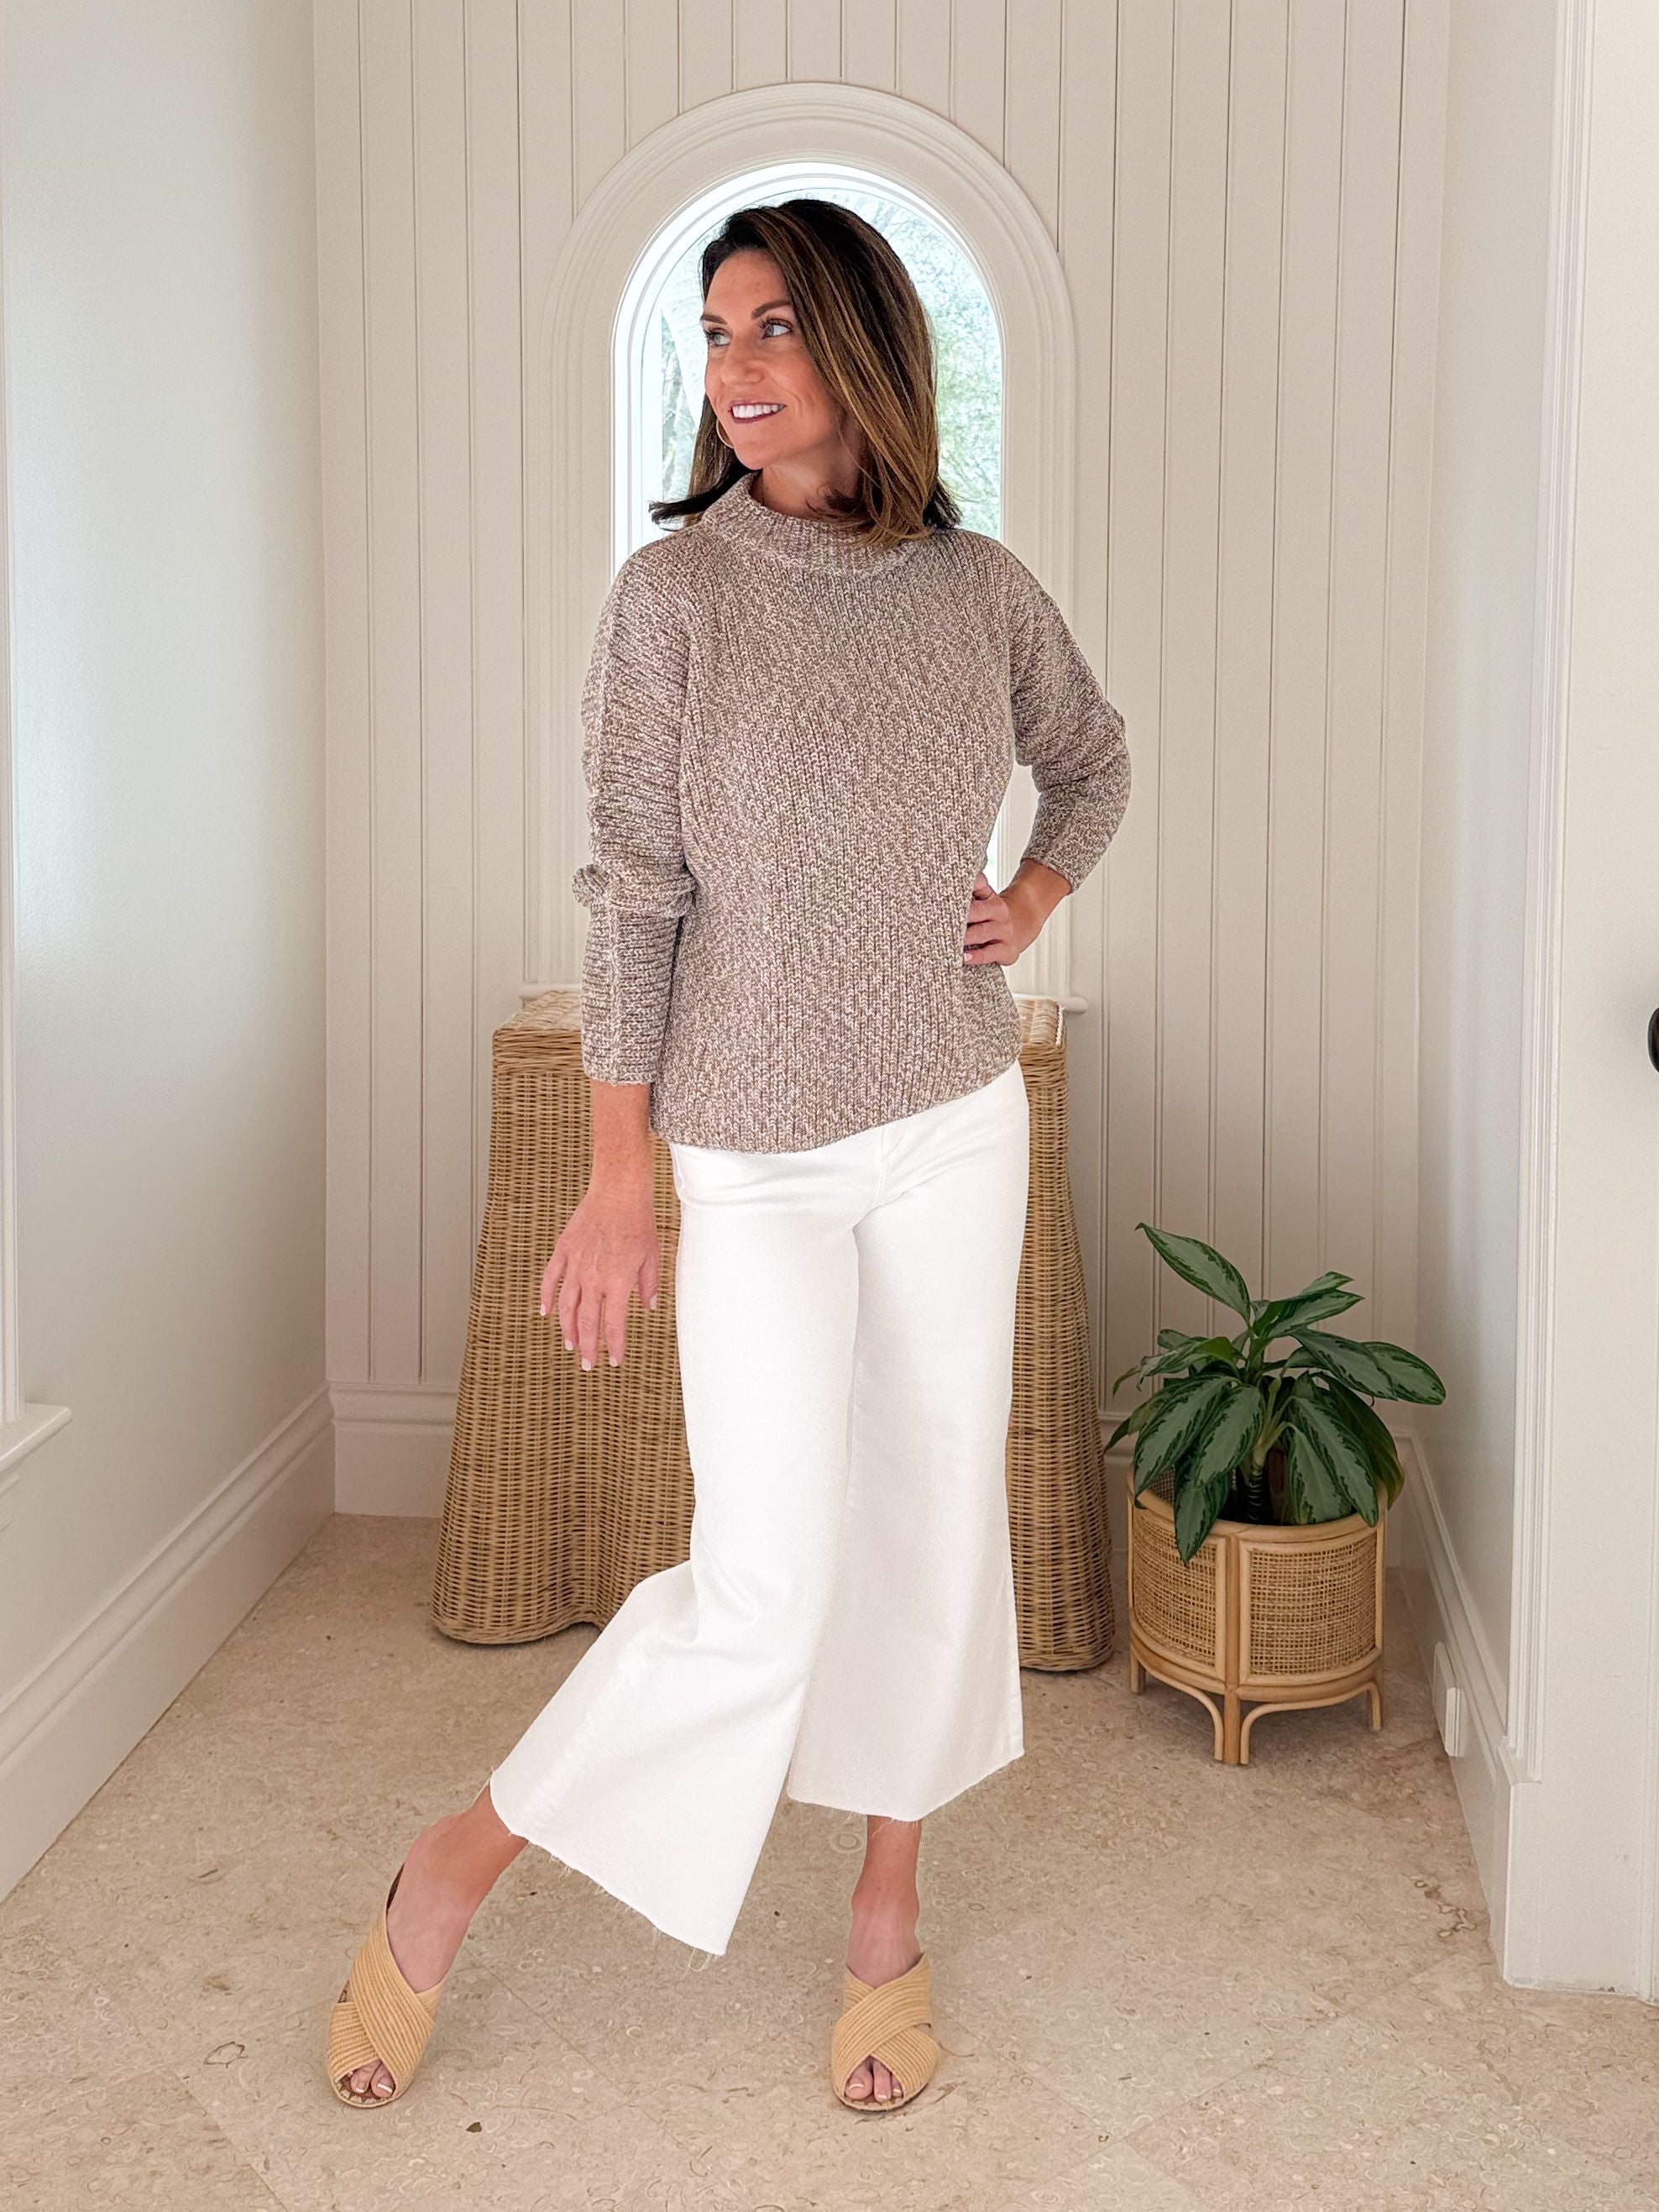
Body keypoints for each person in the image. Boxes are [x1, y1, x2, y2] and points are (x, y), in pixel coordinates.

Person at [325, 196, 1129, 2117]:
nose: (735, 369)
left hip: (953, 1121)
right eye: (712, 333)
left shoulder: (977, 588)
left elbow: (1090, 759)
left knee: (931, 1522)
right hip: (752, 1151)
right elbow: (632, 896)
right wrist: (623, 1175)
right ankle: (456, 1863)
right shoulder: (674, 596)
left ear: (860, 345)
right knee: (762, 1581)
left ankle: (885, 1910)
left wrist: (1027, 897)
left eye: (771, 327)